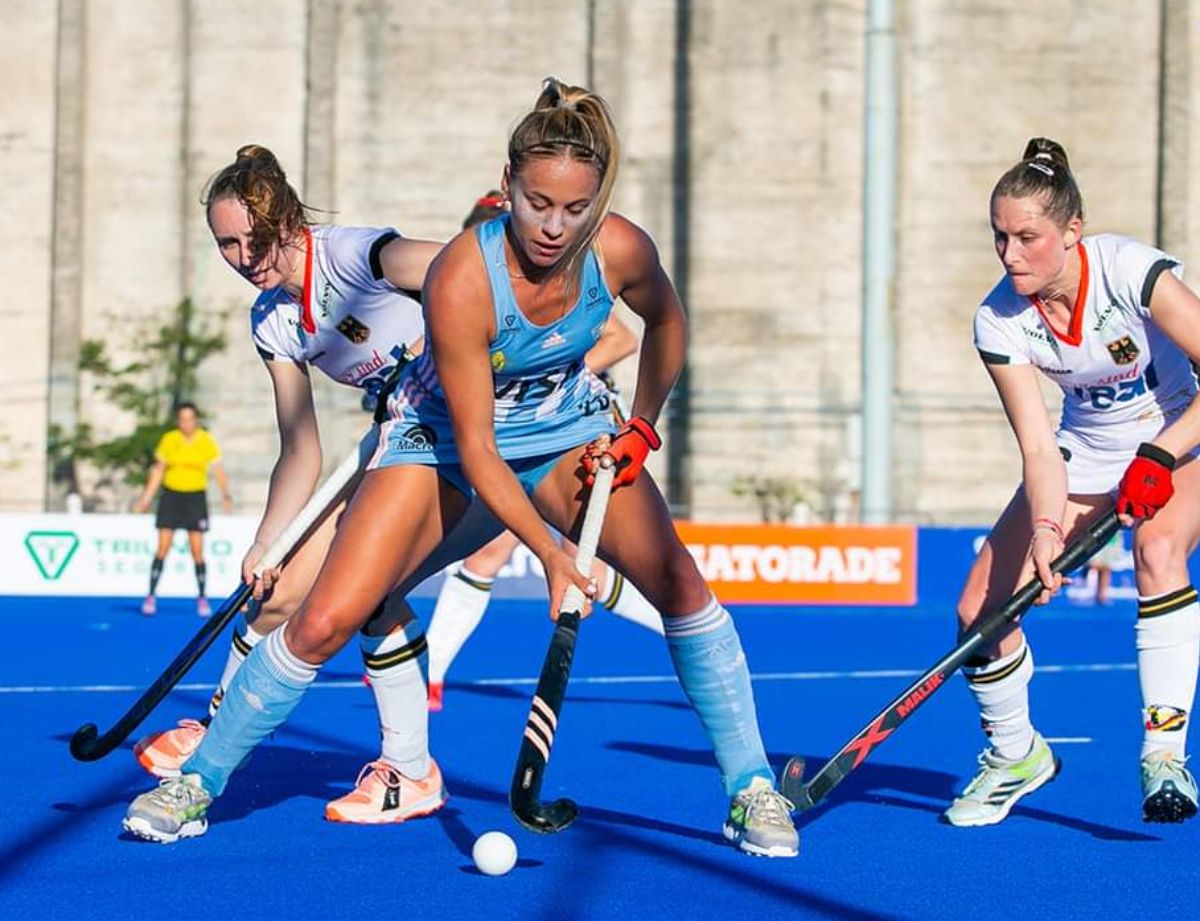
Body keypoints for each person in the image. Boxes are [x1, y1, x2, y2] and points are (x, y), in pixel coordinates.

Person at [124, 78, 799, 858]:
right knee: (326, 614)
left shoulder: (619, 249)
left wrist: (642, 427)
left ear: (599, 200)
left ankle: (751, 787)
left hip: (567, 429)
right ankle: (199, 780)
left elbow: (668, 321)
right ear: (507, 182)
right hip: (440, 438)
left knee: (679, 581)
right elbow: (478, 450)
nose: (554, 227)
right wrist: (549, 553)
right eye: (537, 203)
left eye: (575, 210)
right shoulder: (459, 277)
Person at [129, 145, 493, 826]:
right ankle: (222, 723)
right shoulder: (271, 319)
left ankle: (412, 769)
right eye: (226, 244)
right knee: (282, 583)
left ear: (288, 217)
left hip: (475, 443)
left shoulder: (357, 257)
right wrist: (268, 542)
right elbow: (300, 446)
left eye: (252, 237)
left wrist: (441, 335)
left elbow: (468, 270)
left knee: (366, 586)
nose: (242, 257)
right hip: (399, 445)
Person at [945, 137, 1200, 828]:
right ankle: (1015, 753)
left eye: (1028, 237)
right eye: (999, 236)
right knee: (978, 608)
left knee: (1158, 554)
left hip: (1182, 430)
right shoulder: (1000, 319)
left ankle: (1164, 753)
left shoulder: (1129, 271)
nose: (1010, 254)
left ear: (1072, 232)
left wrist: (1159, 453)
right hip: (1082, 453)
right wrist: (1049, 531)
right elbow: (1037, 443)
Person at [425, 191, 663, 713]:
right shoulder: (474, 289)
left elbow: (623, 338)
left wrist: (553, 377)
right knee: (495, 554)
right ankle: (433, 676)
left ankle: (683, 627)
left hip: (575, 433)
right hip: (516, 439)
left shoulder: (558, 282)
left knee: (596, 567)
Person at [133, 402, 233, 617]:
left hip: (195, 499)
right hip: (171, 497)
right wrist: (146, 498)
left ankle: (202, 597)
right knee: (162, 548)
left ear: (196, 420)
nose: (186, 423)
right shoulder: (170, 440)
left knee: (197, 551)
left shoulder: (206, 440)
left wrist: (226, 495)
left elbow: (218, 470)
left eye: (190, 418)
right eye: (182, 419)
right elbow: (158, 471)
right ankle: (151, 596)